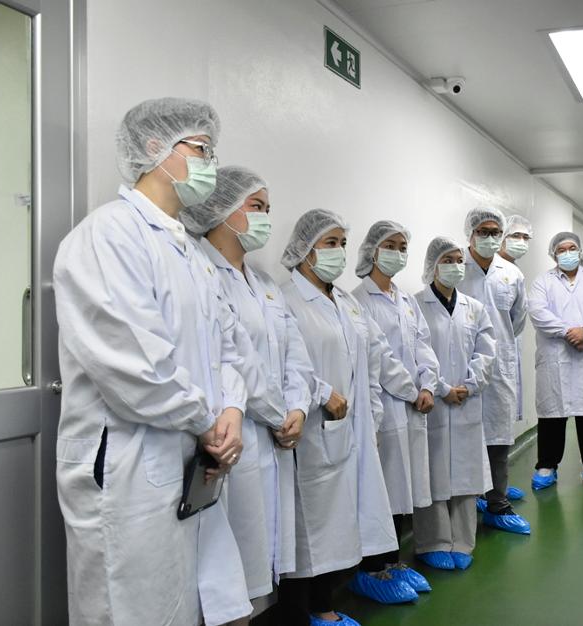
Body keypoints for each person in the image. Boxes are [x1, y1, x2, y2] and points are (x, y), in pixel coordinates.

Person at [54, 97, 251, 625]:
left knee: (184, 603)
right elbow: (134, 367)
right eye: (201, 148)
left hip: (193, 460)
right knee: (130, 607)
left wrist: (232, 409)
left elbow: (229, 346)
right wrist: (208, 420)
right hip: (128, 466)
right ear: (154, 146)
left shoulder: (192, 253)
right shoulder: (107, 235)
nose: (210, 162)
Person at [182, 166, 316, 617]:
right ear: (220, 208)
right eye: (256, 206)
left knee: (260, 563)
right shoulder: (202, 272)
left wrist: (298, 407)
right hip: (234, 436)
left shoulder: (264, 283)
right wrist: (279, 415)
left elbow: (296, 354)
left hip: (275, 436)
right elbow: (236, 360)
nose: (265, 218)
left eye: (267, 209)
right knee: (226, 571)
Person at [278, 209, 418, 626]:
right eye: (330, 243)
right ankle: (309, 610)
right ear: (306, 249)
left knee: (340, 521)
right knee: (310, 524)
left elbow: (372, 360)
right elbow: (284, 363)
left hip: (350, 431)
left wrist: (372, 415)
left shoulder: (347, 303)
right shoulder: (287, 300)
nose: (338, 251)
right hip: (310, 431)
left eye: (342, 243)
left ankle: (327, 602)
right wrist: (322, 393)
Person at [351, 221, 440, 583]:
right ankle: (374, 568)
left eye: (403, 247)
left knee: (405, 487)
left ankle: (394, 562)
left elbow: (423, 344)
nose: (398, 253)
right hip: (385, 407)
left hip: (413, 405)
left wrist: (429, 384)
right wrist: (412, 391)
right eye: (390, 245)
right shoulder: (359, 300)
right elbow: (380, 358)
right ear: (372, 250)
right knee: (384, 489)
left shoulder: (405, 301)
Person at [413, 237, 496, 570]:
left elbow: (486, 352)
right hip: (433, 400)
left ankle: (462, 541)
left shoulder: (475, 308)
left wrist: (470, 385)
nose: (455, 266)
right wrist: (442, 388)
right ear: (433, 265)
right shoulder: (415, 305)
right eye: (447, 260)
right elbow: (414, 352)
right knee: (431, 472)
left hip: (466, 401)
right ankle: (432, 541)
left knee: (466, 471)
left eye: (459, 260)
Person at [459, 206, 531, 535]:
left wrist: (494, 345)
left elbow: (517, 320)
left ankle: (497, 505)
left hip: (499, 365)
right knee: (462, 435)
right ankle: (470, 496)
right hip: (461, 365)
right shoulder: (454, 266)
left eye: (495, 232)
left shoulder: (511, 274)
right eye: (483, 231)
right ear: (470, 233)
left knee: (498, 438)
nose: (489, 237)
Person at [527, 232, 583, 491]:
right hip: (554, 356)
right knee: (552, 414)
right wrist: (570, 332)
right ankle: (547, 465)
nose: (567, 253)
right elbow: (538, 312)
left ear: (580, 251)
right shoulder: (543, 282)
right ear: (554, 254)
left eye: (572, 248)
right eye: (561, 250)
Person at [497, 214, 533, 502]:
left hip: (504, 356)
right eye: (515, 235)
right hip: (479, 361)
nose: (521, 242)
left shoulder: (514, 273)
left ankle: (497, 487)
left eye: (525, 237)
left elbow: (518, 318)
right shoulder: (472, 270)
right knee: (482, 432)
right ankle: (487, 491)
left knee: (501, 428)